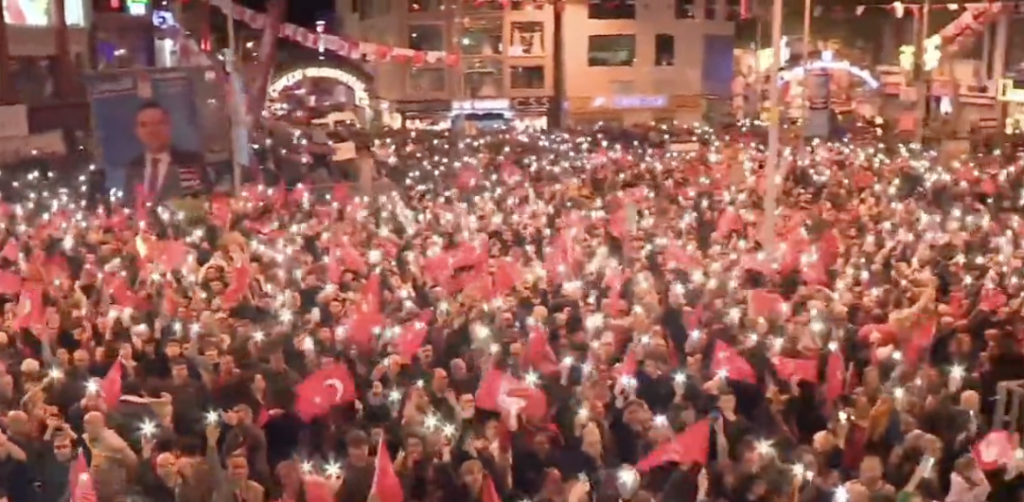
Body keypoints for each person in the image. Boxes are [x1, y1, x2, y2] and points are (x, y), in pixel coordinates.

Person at [125, 101, 210, 201]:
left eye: (158, 123)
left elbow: (206, 200)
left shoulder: (191, 162)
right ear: (137, 131)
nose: (152, 130)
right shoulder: (133, 168)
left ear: (169, 126)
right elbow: (129, 204)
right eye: (144, 125)